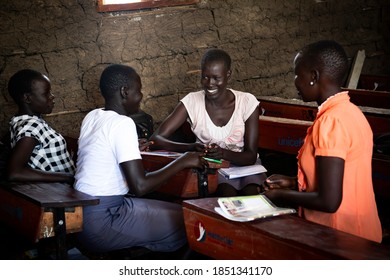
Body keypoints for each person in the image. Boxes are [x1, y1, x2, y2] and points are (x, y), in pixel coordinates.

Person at [74, 64, 207, 254]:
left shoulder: (93, 116)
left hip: (83, 213)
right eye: (139, 90)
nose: (141, 96)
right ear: (125, 92)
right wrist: (184, 160)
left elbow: (101, 150)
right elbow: (140, 186)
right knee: (190, 220)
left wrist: (130, 147)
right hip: (105, 220)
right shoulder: (123, 123)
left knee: (176, 213)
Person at [263, 40, 382, 243]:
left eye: (297, 74)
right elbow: (340, 178)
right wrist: (294, 182)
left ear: (313, 77)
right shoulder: (350, 111)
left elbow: (329, 201)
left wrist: (279, 196)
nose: (295, 82)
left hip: (340, 236)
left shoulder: (331, 121)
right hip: (362, 231)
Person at [150, 48, 266, 197]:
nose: (210, 84)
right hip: (212, 170)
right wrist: (191, 147)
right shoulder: (192, 102)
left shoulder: (246, 102)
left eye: (216, 78)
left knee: (253, 197)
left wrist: (223, 153)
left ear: (228, 75)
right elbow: (156, 139)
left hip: (247, 169)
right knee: (226, 195)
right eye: (205, 77)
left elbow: (250, 156)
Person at [6, 69, 75, 184]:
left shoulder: (21, 121)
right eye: (46, 93)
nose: (52, 97)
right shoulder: (31, 127)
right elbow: (14, 173)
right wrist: (68, 177)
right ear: (27, 98)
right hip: (60, 193)